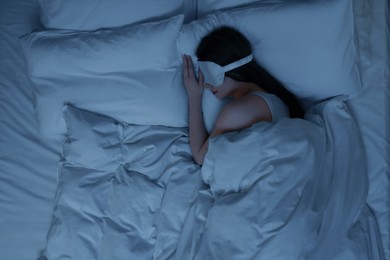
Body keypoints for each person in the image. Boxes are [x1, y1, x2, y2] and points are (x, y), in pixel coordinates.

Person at [182, 26, 304, 165]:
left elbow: (201, 157)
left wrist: (194, 98)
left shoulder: (236, 112)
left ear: (224, 69)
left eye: (208, 74)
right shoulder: (276, 99)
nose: (205, 85)